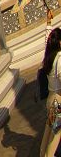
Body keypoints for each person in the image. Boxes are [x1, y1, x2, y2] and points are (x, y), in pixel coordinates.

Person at [40, 27, 61, 156]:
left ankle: (43, 154)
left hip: (51, 100)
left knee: (49, 133)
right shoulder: (59, 58)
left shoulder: (49, 57)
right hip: (58, 102)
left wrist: (48, 23)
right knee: (55, 136)